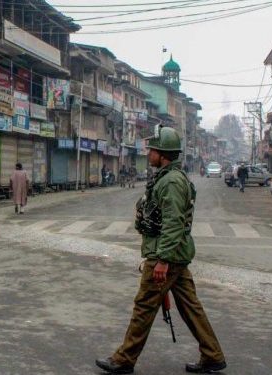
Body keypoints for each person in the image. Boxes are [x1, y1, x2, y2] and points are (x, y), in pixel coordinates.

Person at [96, 127, 226, 375]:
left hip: (165, 256)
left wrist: (163, 260)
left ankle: (124, 359)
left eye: (152, 150)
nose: (149, 153)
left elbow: (174, 222)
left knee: (144, 307)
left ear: (163, 154)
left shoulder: (172, 182)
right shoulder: (168, 177)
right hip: (175, 255)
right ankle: (213, 355)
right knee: (190, 307)